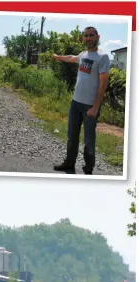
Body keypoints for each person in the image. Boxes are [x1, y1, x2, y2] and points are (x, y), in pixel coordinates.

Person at [52, 26, 110, 175]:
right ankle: (69, 163)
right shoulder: (83, 54)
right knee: (72, 136)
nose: (89, 38)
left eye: (91, 35)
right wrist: (59, 57)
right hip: (75, 103)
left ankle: (88, 168)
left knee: (89, 139)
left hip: (90, 106)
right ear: (83, 38)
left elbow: (103, 84)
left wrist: (95, 108)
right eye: (86, 36)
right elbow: (72, 58)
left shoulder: (102, 57)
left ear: (97, 37)